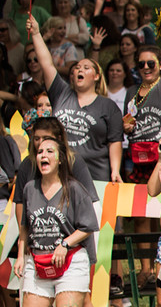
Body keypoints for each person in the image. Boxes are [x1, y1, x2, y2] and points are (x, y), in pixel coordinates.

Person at [15, 129, 99, 307]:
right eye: (40, 151)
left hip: (71, 261)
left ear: (60, 159)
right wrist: (21, 255)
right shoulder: (29, 189)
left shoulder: (73, 188)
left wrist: (66, 243)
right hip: (38, 260)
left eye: (50, 151)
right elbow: (25, 226)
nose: (44, 155)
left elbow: (88, 226)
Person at [27, 17, 122, 183]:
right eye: (77, 67)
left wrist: (115, 170)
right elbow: (47, 64)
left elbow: (115, 142)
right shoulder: (61, 93)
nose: (80, 69)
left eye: (86, 68)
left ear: (96, 76)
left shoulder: (108, 106)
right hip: (62, 173)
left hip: (96, 175)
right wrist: (35, 33)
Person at [125, 15, 161, 185]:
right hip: (137, 156)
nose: (146, 67)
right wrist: (127, 126)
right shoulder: (131, 91)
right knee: (138, 200)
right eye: (141, 64)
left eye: (151, 63)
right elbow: (127, 120)